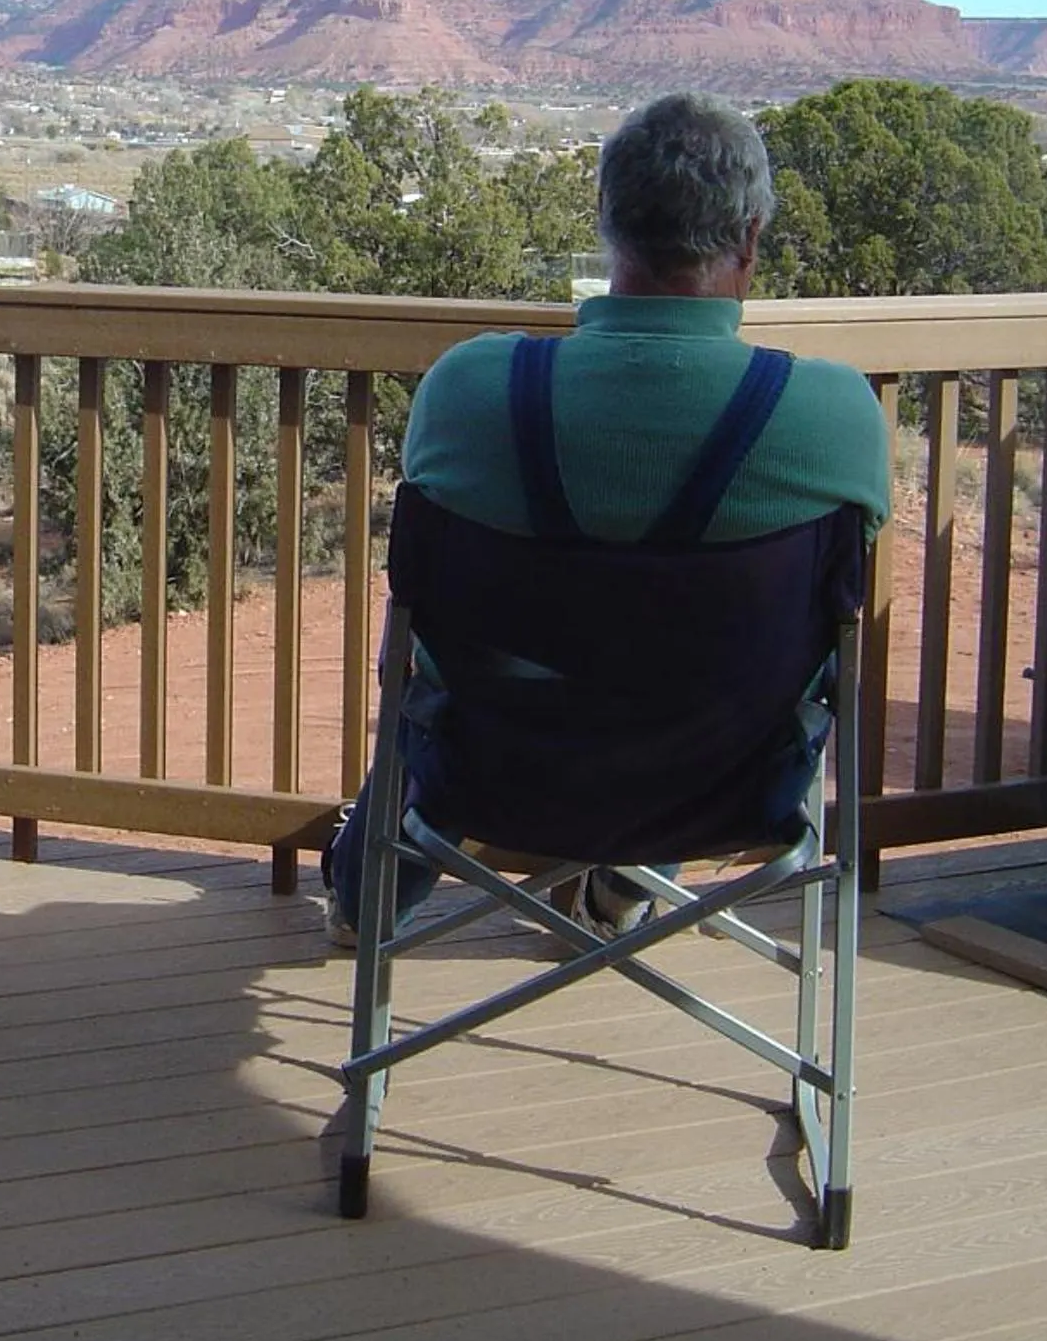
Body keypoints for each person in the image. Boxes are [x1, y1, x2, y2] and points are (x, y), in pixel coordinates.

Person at [324, 92, 892, 946]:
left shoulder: (470, 389)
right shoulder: (833, 414)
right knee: (670, 665)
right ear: (748, 239)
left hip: (495, 776)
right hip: (723, 791)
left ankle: (367, 890)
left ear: (608, 225)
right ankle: (623, 883)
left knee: (430, 668)